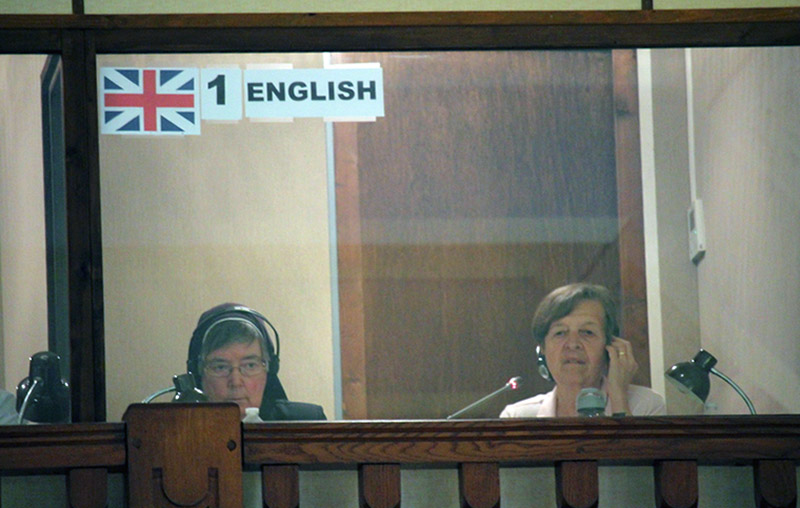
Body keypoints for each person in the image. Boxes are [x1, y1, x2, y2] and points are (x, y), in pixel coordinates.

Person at [501, 283, 665, 418]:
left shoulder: (645, 406)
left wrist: (619, 400)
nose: (573, 344)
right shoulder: (517, 417)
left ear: (610, 346)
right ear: (542, 349)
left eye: (587, 332)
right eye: (560, 333)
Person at [187, 303, 326, 421]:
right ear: (198, 373)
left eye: (250, 365)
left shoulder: (308, 423)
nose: (236, 382)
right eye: (220, 367)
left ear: (270, 369)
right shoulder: (179, 430)